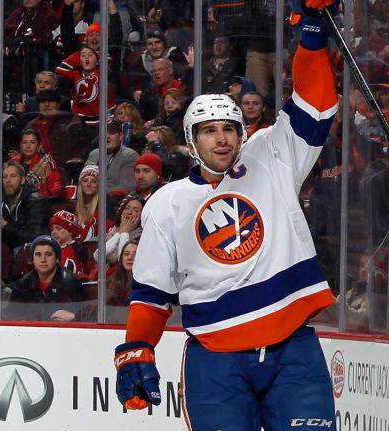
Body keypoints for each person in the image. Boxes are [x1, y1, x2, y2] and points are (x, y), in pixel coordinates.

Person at [113, 1, 338, 429]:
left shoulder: (272, 156)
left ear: (242, 133)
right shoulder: (168, 203)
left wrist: (311, 32)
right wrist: (136, 348)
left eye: (229, 128)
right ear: (192, 140)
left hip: (293, 349)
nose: (221, 139)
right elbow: (151, 294)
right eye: (209, 131)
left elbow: (316, 102)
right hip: (215, 359)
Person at [3, 235, 86, 321]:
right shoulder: (23, 284)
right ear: (32, 259)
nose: (43, 259)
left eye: (48, 254)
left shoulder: (71, 283)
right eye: (38, 255)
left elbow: (82, 317)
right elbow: (10, 315)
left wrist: (74, 318)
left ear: (57, 258)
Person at [85, 119, 139, 193]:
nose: (107, 136)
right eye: (104, 132)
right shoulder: (93, 154)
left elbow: (126, 187)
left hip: (114, 201)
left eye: (112, 133)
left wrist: (98, 194)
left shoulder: (130, 156)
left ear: (121, 136)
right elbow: (83, 180)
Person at [12, 129, 67, 198]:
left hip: (39, 203)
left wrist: (39, 195)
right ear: (20, 145)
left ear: (39, 145)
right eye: (25, 142)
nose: (28, 146)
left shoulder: (47, 163)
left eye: (32, 142)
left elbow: (56, 187)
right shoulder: (13, 164)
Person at [96, 192, 144, 265]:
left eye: (135, 210)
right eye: (127, 208)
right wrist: (120, 233)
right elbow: (97, 256)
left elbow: (122, 261)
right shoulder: (114, 229)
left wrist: (124, 233)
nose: (129, 212)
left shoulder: (142, 236)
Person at [49, 209, 91, 281]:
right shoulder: (50, 249)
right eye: (52, 229)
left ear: (70, 231)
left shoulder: (77, 250)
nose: (54, 232)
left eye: (58, 228)